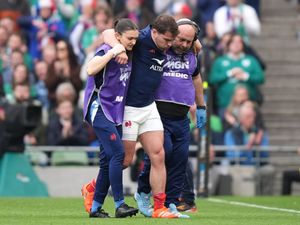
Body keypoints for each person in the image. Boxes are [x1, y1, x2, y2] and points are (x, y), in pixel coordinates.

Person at [82, 15, 181, 218]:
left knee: (159, 154)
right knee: (122, 160)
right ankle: (94, 191)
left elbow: (185, 37)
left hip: (147, 105)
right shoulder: (136, 39)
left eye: (172, 41)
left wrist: (195, 41)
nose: (170, 45)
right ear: (154, 33)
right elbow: (108, 34)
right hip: (122, 108)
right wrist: (116, 49)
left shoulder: (138, 43)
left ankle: (158, 207)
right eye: (167, 40)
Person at [133, 18, 207, 217]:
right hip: (157, 113)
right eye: (180, 39)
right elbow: (149, 31)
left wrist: (201, 106)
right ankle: (143, 191)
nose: (183, 45)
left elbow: (196, 78)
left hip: (182, 117)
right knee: (161, 153)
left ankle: (172, 203)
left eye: (189, 42)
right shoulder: (160, 48)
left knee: (180, 160)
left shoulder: (192, 53)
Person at [82, 18, 139, 218]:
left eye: (135, 38)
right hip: (100, 109)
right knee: (118, 154)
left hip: (115, 111)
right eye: (129, 38)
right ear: (118, 37)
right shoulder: (108, 50)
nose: (133, 42)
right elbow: (90, 69)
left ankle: (96, 207)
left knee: (107, 160)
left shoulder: (130, 51)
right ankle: (120, 203)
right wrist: (114, 51)